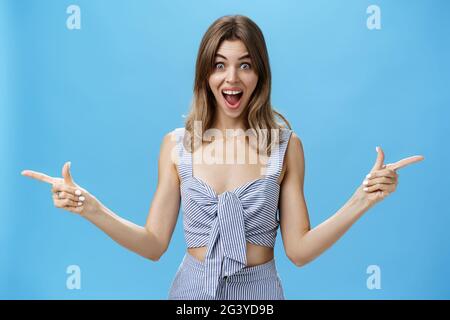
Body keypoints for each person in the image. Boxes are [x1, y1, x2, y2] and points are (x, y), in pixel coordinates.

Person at [21, 15, 424, 300]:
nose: (231, 78)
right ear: (205, 75)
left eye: (244, 65)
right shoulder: (177, 145)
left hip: (260, 292)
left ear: (260, 75)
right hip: (191, 292)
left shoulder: (286, 147)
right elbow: (153, 243)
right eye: (220, 65)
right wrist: (89, 208)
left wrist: (363, 199)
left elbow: (299, 251)